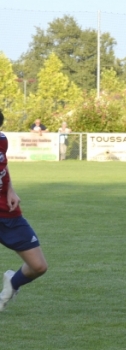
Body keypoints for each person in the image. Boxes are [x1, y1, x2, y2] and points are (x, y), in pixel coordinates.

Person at [0, 110, 48, 312]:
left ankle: (13, 282)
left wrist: (10, 188)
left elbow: (4, 165)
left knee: (38, 266)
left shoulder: (2, 140)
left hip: (8, 211)